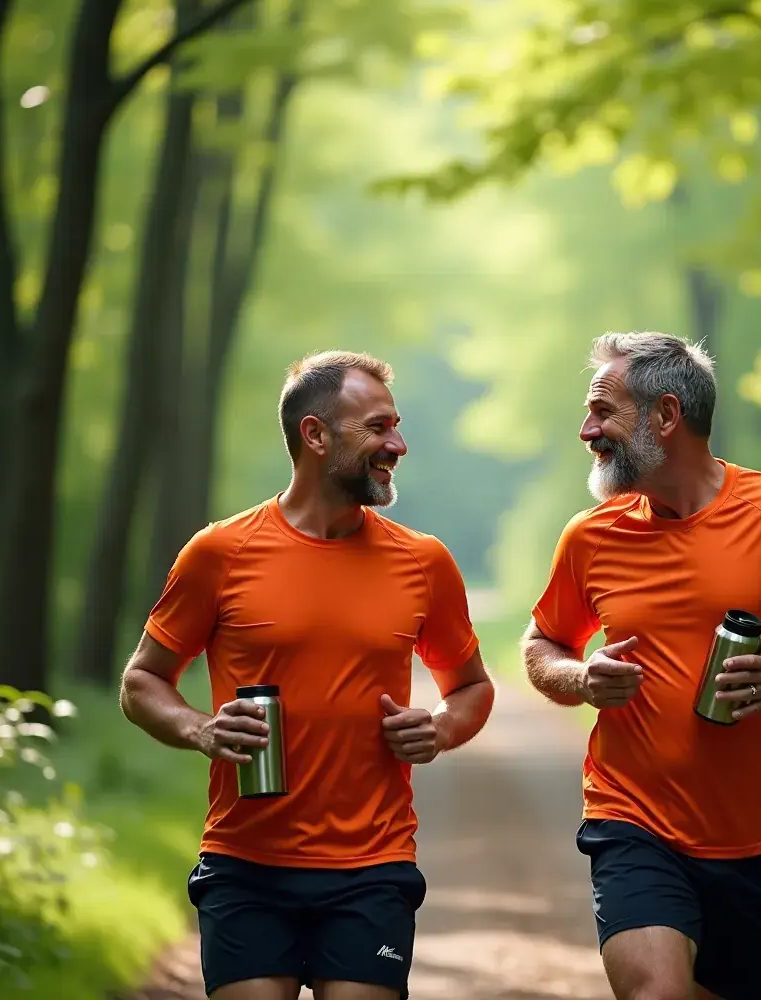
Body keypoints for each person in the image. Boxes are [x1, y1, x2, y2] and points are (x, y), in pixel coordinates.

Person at [522, 331, 761, 1000]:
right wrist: (581, 678)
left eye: (603, 411)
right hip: (631, 822)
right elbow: (541, 645)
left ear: (666, 417)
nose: (588, 429)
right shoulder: (593, 535)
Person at [120, 350, 495, 1000]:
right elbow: (141, 682)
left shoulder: (423, 562)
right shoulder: (219, 553)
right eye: (378, 428)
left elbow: (472, 688)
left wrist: (439, 728)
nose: (398, 444)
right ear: (315, 435)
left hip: (373, 868)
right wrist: (200, 729)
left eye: (397, 426)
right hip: (245, 865)